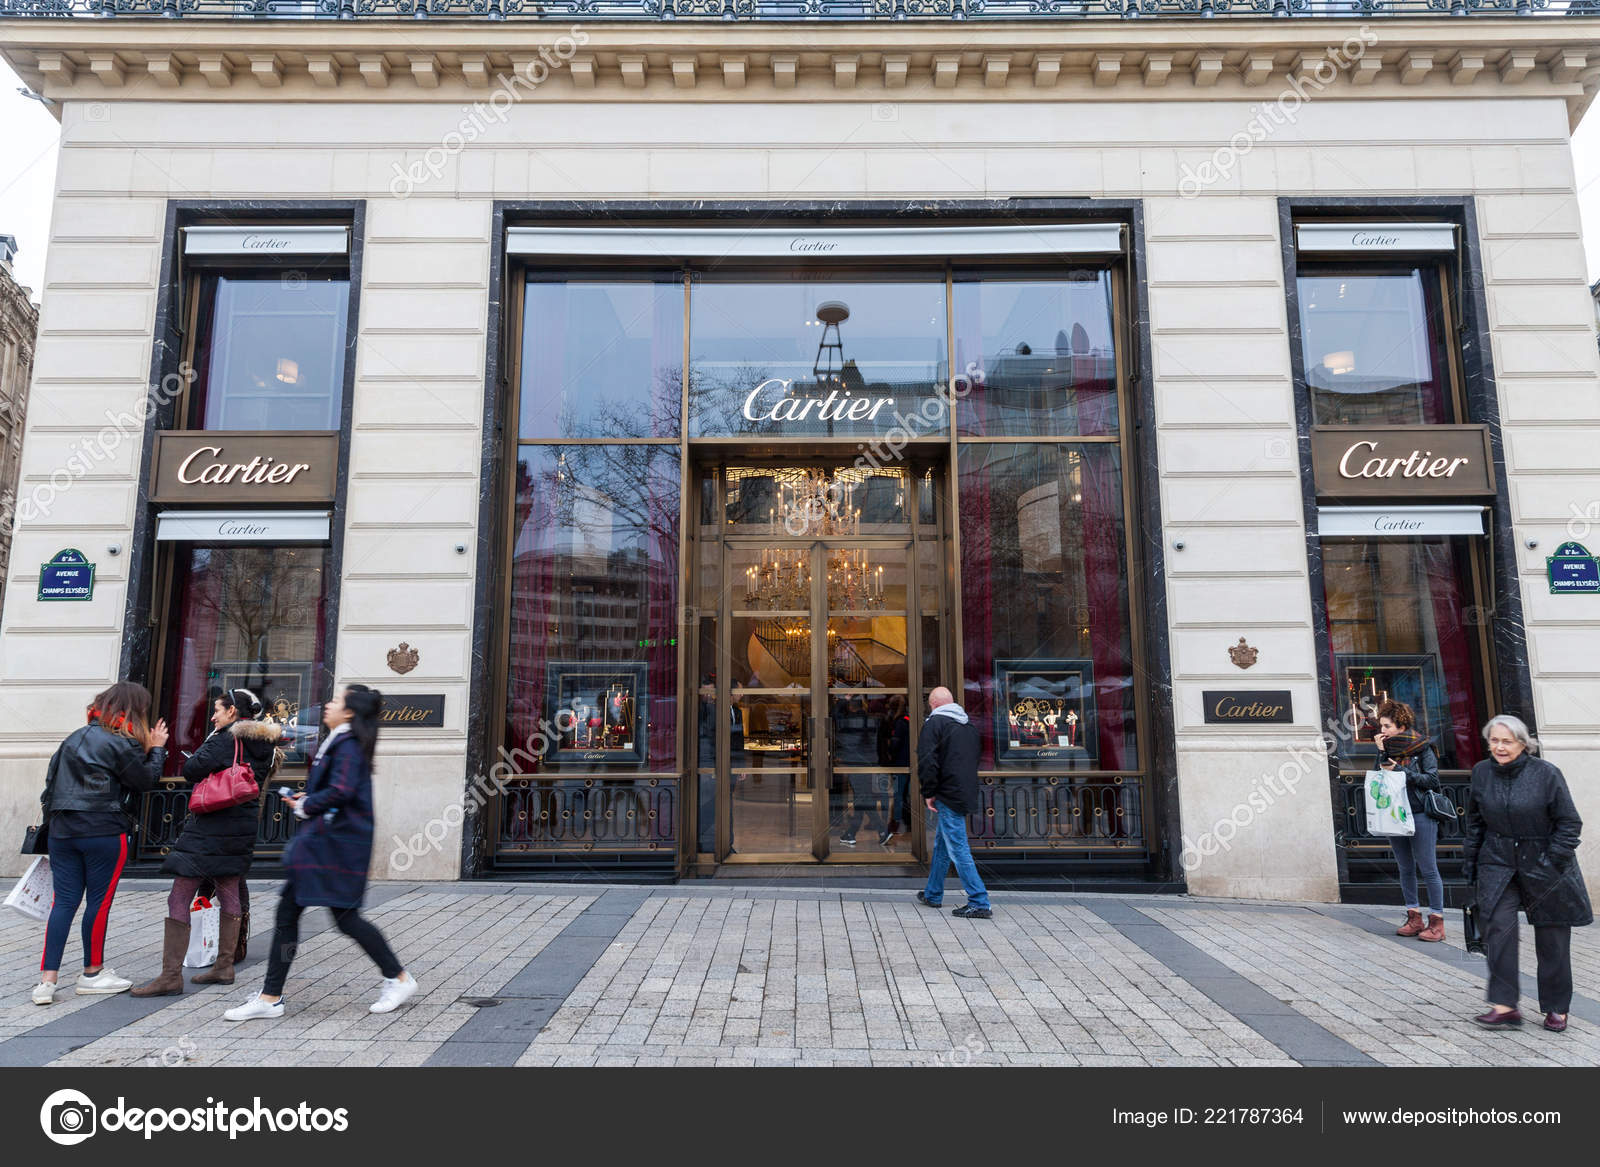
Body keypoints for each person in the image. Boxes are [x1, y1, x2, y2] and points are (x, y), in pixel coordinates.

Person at [225, 684, 419, 1021]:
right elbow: (338, 790)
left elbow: (341, 791)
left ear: (350, 711)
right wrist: (306, 802)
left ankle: (398, 977)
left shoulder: (347, 744)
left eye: (336, 700)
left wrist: (307, 805)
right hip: (329, 846)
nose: (327, 704)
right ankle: (271, 996)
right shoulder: (344, 741)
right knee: (299, 915)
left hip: (334, 848)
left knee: (343, 919)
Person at [131, 689, 282, 997]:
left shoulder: (226, 738)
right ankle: (224, 967)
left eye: (218, 710)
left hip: (210, 828)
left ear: (232, 713)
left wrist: (213, 737)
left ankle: (170, 976)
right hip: (241, 827)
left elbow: (191, 770)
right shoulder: (264, 743)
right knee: (229, 890)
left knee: (179, 894)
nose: (213, 716)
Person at [32, 682, 168, 1005]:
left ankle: (46, 982)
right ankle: (92, 973)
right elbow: (146, 781)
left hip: (62, 831)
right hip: (104, 830)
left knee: (62, 903)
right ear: (133, 711)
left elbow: (49, 788)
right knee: (98, 901)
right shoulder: (121, 743)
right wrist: (157, 748)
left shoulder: (71, 739)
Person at [1463, 714, 1591, 1032]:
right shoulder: (1481, 773)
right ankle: (1505, 1007)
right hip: (1498, 862)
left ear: (1523, 743)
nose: (1499, 747)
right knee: (1499, 931)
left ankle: (1556, 1008)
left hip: (1545, 863)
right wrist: (1471, 866)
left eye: (1506, 741)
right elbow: (1476, 823)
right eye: (1494, 740)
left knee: (1553, 939)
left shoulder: (1546, 774)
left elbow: (1569, 823)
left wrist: (1553, 860)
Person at [1371, 700, 1446, 942]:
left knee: (1428, 868)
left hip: (1420, 813)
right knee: (1405, 867)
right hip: (1395, 813)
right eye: (1382, 726)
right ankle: (1414, 917)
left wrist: (1402, 772)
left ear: (1401, 725)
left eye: (1387, 726)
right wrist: (1382, 753)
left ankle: (1437, 922)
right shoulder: (1388, 749)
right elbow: (1378, 777)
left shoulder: (1423, 747)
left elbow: (1432, 781)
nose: (1383, 730)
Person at [914, 686, 991, 918]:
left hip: (947, 792)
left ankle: (979, 901)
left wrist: (929, 792)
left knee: (957, 848)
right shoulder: (967, 726)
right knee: (942, 845)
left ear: (933, 704)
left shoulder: (934, 724)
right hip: (965, 791)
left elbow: (928, 761)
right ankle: (933, 893)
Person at [876, 695, 911, 847]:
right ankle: (908, 823)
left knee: (898, 795)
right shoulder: (909, 720)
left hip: (900, 764)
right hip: (908, 762)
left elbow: (895, 744)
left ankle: (894, 825)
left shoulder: (900, 723)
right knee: (904, 794)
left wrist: (889, 752)